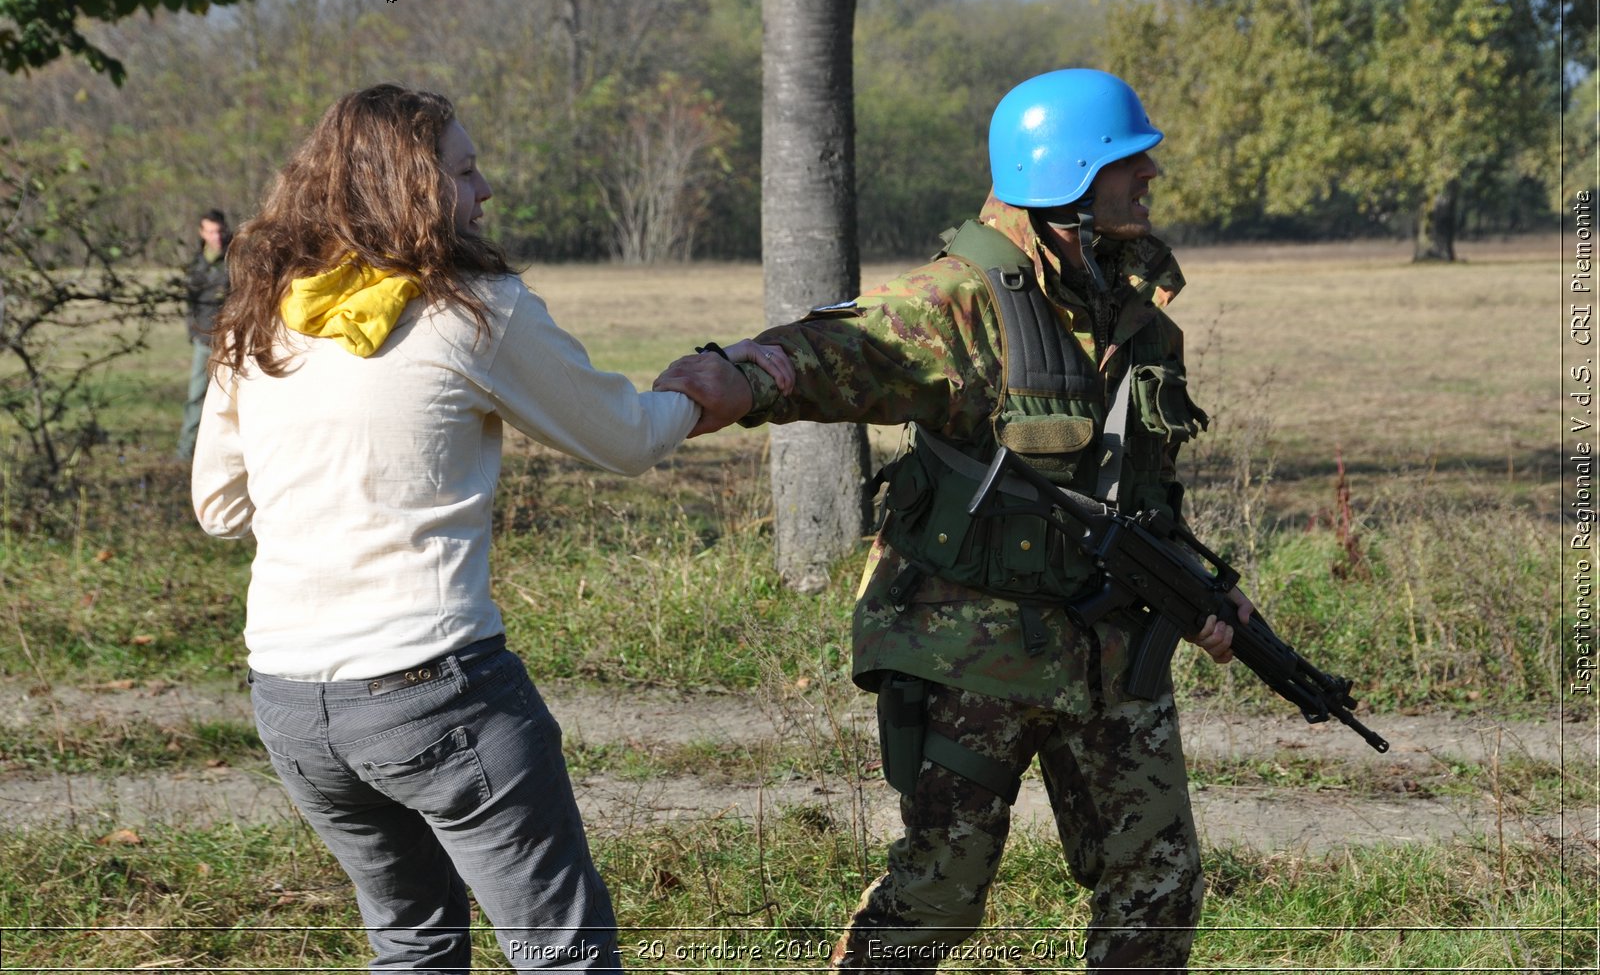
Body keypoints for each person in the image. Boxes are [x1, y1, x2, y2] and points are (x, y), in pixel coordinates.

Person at [655, 68, 1254, 973]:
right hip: (972, 652)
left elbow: (1142, 494)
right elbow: (850, 343)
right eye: (1131, 159)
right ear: (1069, 176)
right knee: (941, 891)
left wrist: (1200, 598)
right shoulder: (966, 299)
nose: (1151, 173)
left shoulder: (1141, 319)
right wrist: (742, 376)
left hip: (1110, 653)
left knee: (1159, 882)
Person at [190, 84, 761, 972]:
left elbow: (219, 508)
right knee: (562, 953)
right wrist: (710, 391)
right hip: (436, 693)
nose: (484, 187)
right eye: (463, 169)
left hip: (293, 703)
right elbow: (627, 438)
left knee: (413, 946)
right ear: (411, 189)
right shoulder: (471, 311)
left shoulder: (263, 312)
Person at [177, 208, 231, 461]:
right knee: (196, 395)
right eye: (210, 231)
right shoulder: (196, 265)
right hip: (204, 339)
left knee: (230, 399)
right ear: (202, 233)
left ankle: (224, 454)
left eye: (219, 230)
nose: (216, 236)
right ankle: (185, 452)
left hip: (231, 340)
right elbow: (190, 303)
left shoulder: (235, 259)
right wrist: (194, 333)